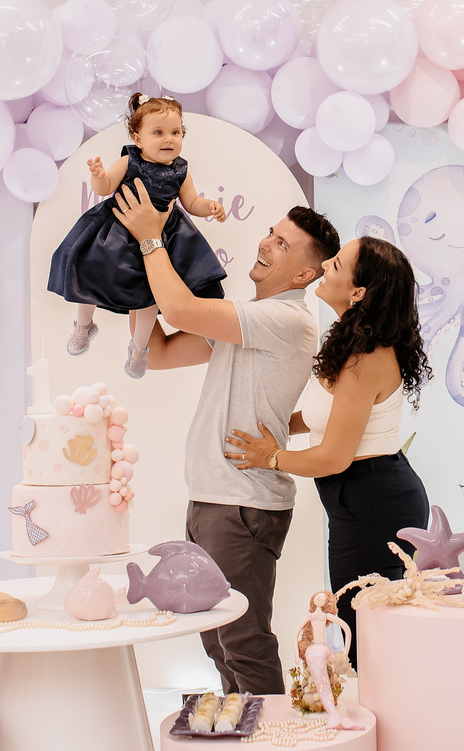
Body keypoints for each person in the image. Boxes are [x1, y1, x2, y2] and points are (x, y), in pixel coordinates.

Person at [111, 179, 340, 696]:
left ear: (304, 274)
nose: (265, 244)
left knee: (242, 639)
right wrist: (129, 278)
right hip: (214, 498)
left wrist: (150, 239)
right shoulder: (246, 322)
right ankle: (244, 724)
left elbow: (180, 310)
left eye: (281, 243)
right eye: (270, 233)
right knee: (217, 639)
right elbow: (161, 352)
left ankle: (271, 730)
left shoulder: (286, 319)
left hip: (242, 503)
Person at [225, 236, 432, 668]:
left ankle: (386, 706)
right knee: (361, 626)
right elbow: (326, 416)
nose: (324, 267)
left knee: (363, 630)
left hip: (374, 502)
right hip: (360, 496)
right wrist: (278, 424)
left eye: (335, 265)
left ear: (358, 292)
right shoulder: (351, 340)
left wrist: (270, 456)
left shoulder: (366, 357)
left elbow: (332, 457)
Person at [48, 94, 227, 378]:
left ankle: (140, 348)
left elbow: (192, 202)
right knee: (90, 271)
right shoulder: (128, 161)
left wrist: (209, 207)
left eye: (175, 132)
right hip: (118, 230)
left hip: (163, 237)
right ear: (138, 139)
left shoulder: (181, 170)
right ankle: (83, 325)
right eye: (158, 133)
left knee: (150, 294)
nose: (168, 139)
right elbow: (106, 186)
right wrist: (98, 175)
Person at [294, 591, 359, 730]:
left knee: (318, 660)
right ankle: (331, 710)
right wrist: (296, 653)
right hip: (313, 648)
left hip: (322, 647)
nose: (319, 597)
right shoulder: (309, 616)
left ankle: (329, 707)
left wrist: (346, 651)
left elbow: (346, 629)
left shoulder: (326, 616)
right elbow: (296, 633)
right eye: (317, 596)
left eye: (323, 597)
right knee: (311, 655)